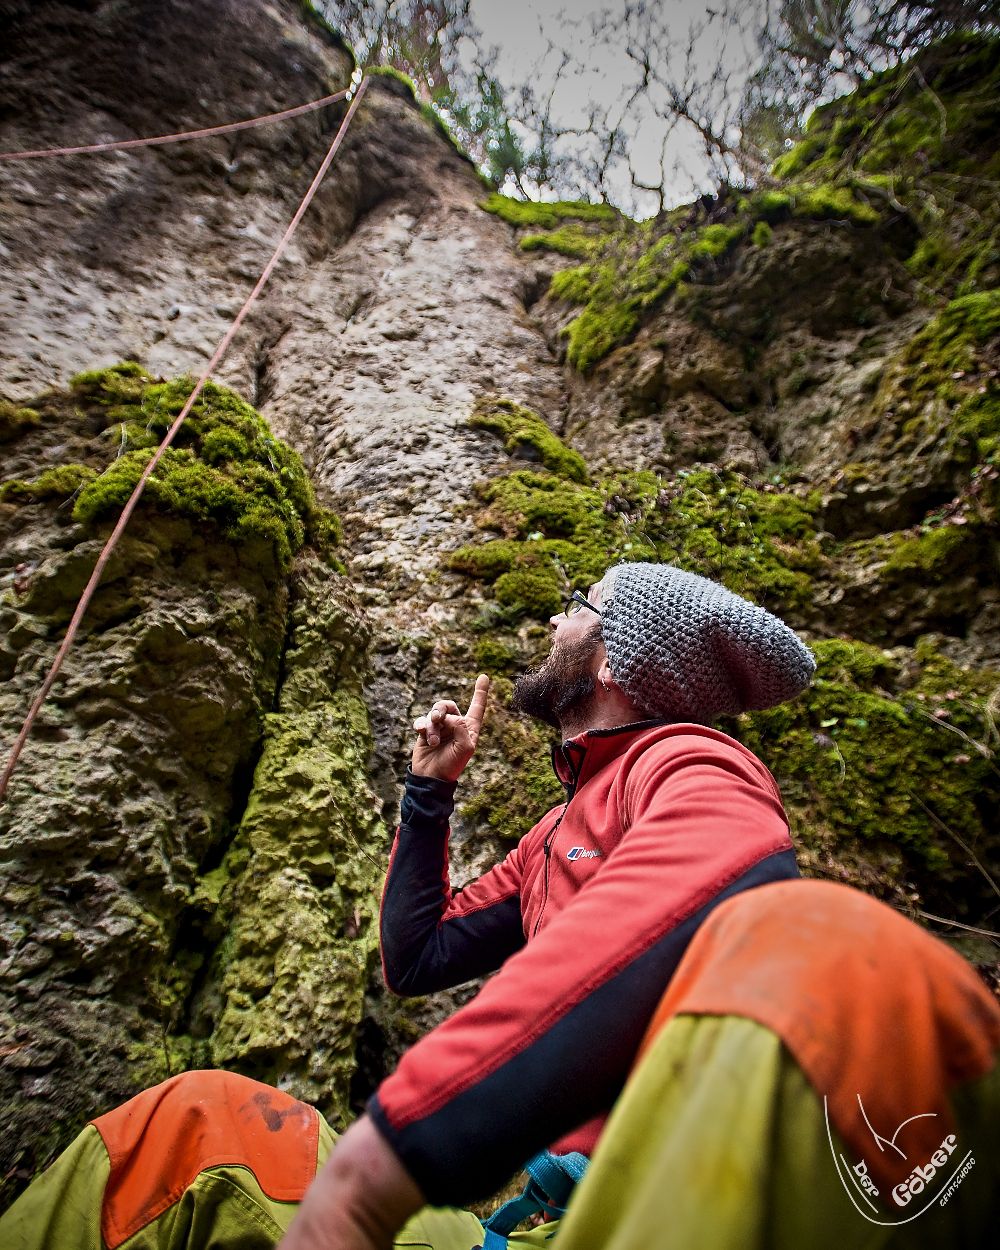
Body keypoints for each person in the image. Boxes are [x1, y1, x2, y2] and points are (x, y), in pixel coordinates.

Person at [2, 563, 997, 1250]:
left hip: (626, 1198)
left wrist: (376, 1164)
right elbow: (418, 954)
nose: (555, 620)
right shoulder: (557, 830)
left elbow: (732, 876)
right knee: (194, 1129)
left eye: (579, 603)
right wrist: (430, 791)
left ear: (613, 659)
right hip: (515, 1219)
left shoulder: (690, 761)